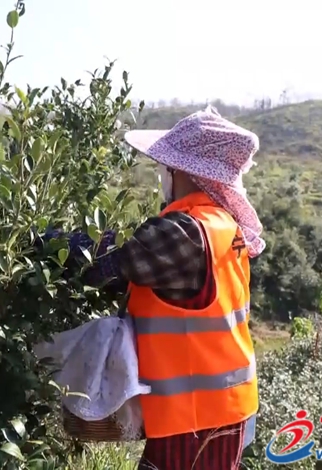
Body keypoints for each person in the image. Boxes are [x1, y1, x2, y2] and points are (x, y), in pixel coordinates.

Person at [45, 107, 264, 470]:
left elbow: (106, 259)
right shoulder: (218, 224)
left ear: (183, 171)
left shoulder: (186, 233)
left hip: (196, 421)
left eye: (166, 167)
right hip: (219, 410)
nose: (162, 174)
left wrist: (36, 244)